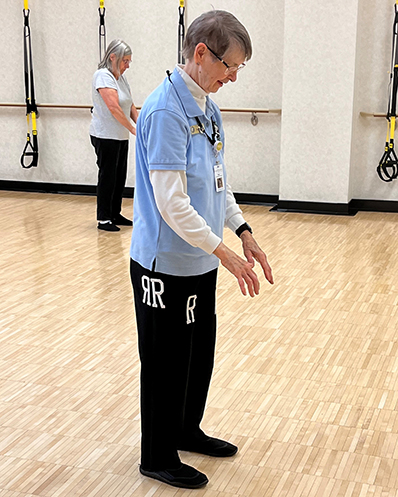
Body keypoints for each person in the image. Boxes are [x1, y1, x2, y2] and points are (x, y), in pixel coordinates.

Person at [129, 10, 274, 489]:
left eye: (238, 70)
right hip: (163, 264)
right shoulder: (165, 111)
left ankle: (185, 430)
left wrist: (243, 231)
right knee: (164, 360)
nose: (232, 77)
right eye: (228, 67)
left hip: (200, 260)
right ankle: (157, 454)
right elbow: (172, 203)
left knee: (197, 355)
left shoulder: (205, 106)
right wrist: (224, 254)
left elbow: (218, 180)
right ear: (200, 54)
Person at [90, 39, 138, 232]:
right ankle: (103, 218)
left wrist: (141, 125)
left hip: (120, 135)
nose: (127, 65)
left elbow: (130, 105)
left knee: (119, 176)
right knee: (108, 176)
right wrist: (133, 129)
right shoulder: (103, 76)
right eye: (125, 61)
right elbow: (114, 108)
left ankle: (114, 213)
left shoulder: (121, 78)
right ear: (113, 57)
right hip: (105, 135)